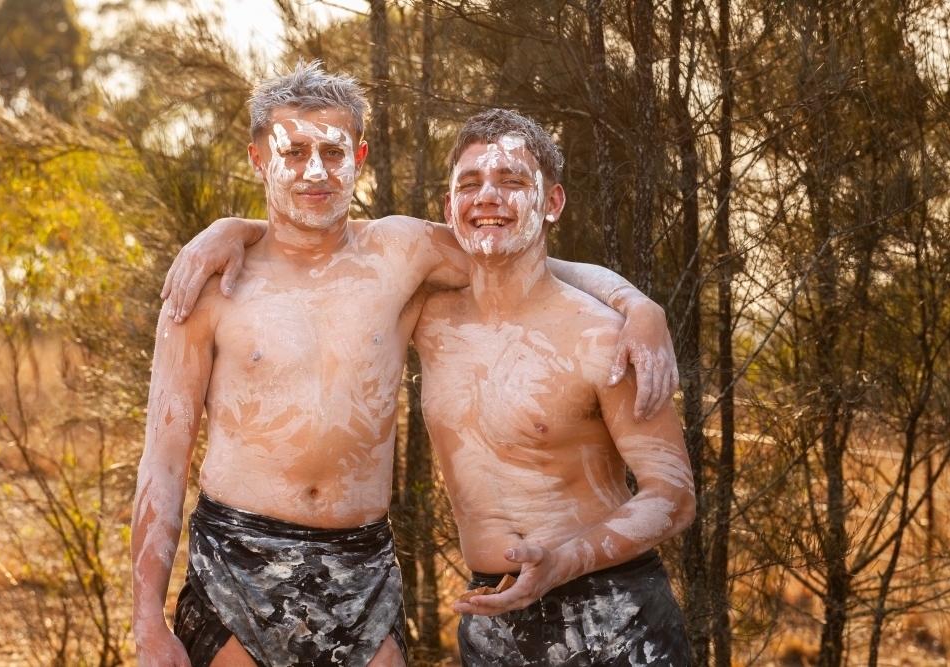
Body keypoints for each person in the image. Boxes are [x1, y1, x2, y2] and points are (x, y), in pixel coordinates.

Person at [134, 61, 678, 667]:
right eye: (292, 153)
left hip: (362, 561)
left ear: (360, 155)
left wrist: (637, 304)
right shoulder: (208, 286)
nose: (315, 171)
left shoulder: (401, 255)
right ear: (259, 158)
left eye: (333, 151)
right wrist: (145, 622)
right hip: (239, 555)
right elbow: (162, 460)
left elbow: (519, 256)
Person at [413, 109, 695, 666]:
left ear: (552, 203)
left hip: (612, 614)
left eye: (513, 182)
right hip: (493, 614)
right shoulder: (428, 318)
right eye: (470, 184)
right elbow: (323, 252)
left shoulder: (602, 336)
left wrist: (562, 562)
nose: (487, 196)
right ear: (450, 209)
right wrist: (234, 230)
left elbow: (674, 495)